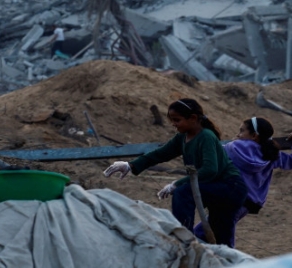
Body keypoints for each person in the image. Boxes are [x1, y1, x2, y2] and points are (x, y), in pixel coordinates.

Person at [103, 99, 248, 247]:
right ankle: (189, 241)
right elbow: (160, 154)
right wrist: (130, 165)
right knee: (219, 237)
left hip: (231, 187)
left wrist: (177, 183)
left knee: (184, 193)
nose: (173, 124)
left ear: (193, 118)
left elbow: (210, 169)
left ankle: (183, 239)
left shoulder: (206, 136)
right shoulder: (182, 138)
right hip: (215, 186)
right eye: (172, 120)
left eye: (177, 120)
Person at [193, 116, 292, 240]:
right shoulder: (271, 154)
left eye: (242, 131)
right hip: (249, 203)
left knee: (213, 233)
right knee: (213, 229)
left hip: (231, 198)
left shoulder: (232, 148)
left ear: (254, 136)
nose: (238, 134)